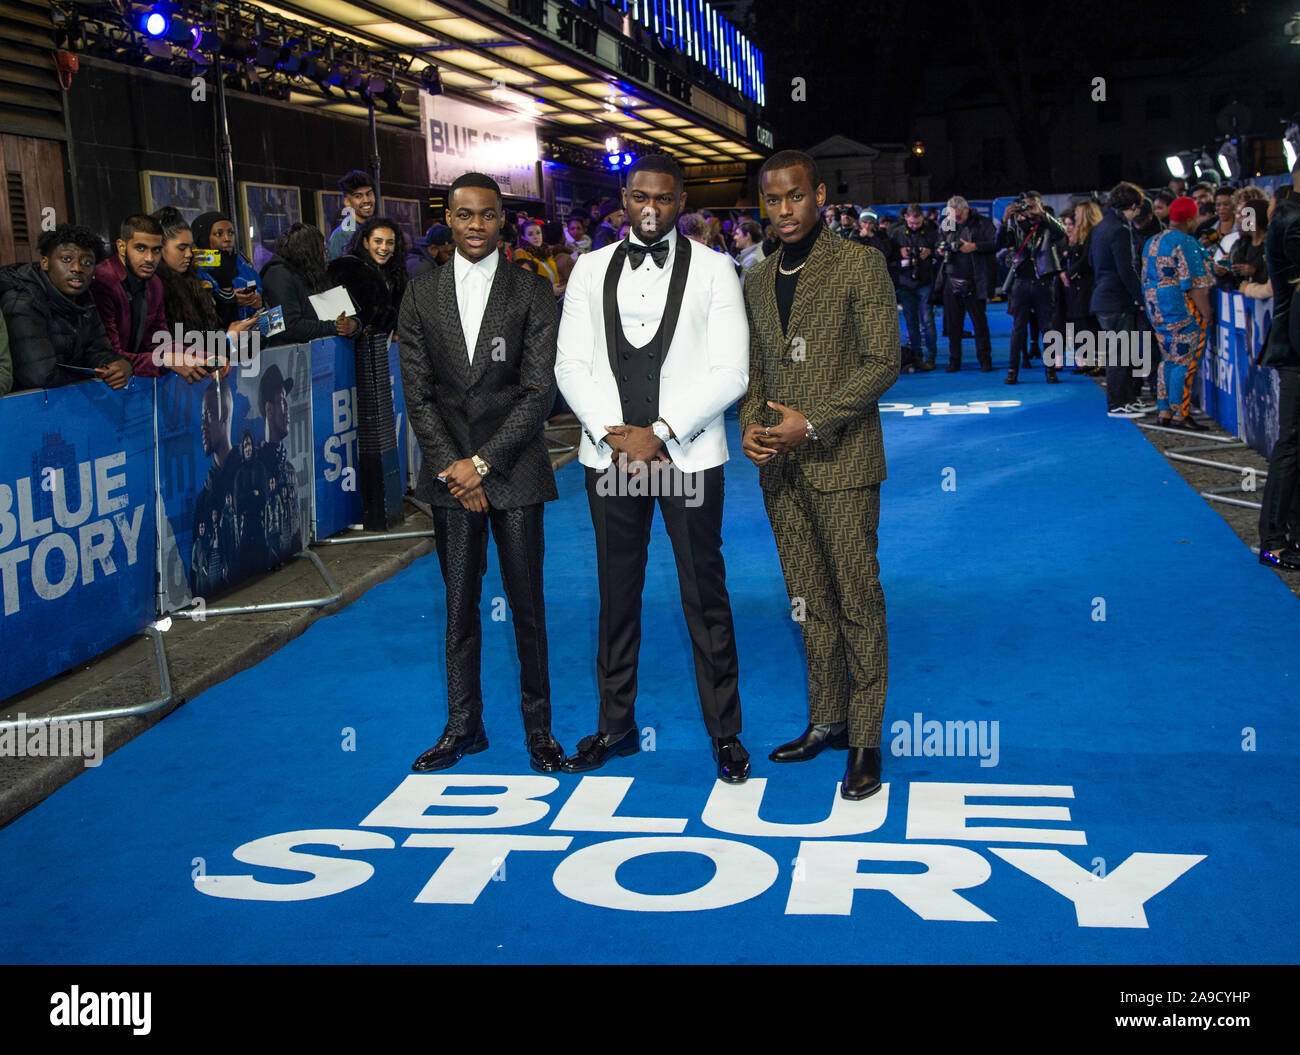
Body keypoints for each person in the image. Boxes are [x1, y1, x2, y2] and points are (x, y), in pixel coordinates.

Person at [554, 153, 751, 784]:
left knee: (705, 594)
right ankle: (616, 725)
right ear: (623, 196)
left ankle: (725, 733)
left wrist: (661, 433)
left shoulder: (718, 270)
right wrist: (619, 438)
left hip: (687, 457)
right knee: (616, 593)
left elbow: (732, 371)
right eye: (640, 196)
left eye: (663, 199)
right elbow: (570, 366)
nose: (650, 208)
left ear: (681, 202)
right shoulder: (588, 268)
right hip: (611, 456)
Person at [738, 149, 898, 801]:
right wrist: (751, 424)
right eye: (773, 200)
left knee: (857, 600)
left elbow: (882, 361)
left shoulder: (861, 264)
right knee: (808, 600)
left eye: (796, 196)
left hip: (843, 462)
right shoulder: (756, 277)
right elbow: (757, 371)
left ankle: (864, 740)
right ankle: (827, 718)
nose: (785, 210)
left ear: (820, 194)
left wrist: (815, 421)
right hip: (782, 473)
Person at [397, 171, 566, 775]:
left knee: (527, 606)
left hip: (514, 471)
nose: (475, 226)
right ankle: (463, 726)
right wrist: (454, 467)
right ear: (447, 217)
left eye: (488, 215)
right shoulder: (420, 293)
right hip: (451, 481)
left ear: (503, 220)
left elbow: (537, 390)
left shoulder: (531, 291)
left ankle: (539, 730)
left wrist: (483, 463)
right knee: (459, 608)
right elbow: (417, 395)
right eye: (464, 215)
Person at [0, 225, 130, 391]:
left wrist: (119, 365)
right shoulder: (22, 301)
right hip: (29, 407)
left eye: (87, 262)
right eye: (66, 260)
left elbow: (98, 351)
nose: (77, 268)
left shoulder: (84, 298)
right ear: (45, 262)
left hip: (64, 401)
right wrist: (96, 375)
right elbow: (40, 376)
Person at [153, 207, 255, 381]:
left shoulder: (192, 281)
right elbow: (172, 341)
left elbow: (209, 327)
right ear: (161, 248)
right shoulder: (157, 288)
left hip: (205, 373)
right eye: (181, 248)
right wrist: (227, 338)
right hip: (173, 382)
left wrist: (226, 289)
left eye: (190, 247)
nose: (188, 254)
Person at [1257, 176, 1300, 571]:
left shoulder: (1286, 218)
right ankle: (1273, 542)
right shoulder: (1292, 221)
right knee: (1289, 445)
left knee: (1293, 446)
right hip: (1294, 350)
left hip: (1290, 346)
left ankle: (1287, 534)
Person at [1141, 197, 1214, 429]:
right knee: (1184, 361)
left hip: (1157, 311)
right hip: (1180, 309)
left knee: (1168, 360)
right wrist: (1206, 312)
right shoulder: (1186, 242)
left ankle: (1164, 411)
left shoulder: (1152, 241)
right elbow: (1196, 284)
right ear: (1191, 218)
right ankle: (1180, 414)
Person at [1090, 181, 1148, 418]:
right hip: (1116, 299)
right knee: (1120, 354)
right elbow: (1126, 269)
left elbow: (1094, 263)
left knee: (1124, 352)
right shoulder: (1120, 230)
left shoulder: (1101, 227)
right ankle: (1116, 403)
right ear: (1134, 206)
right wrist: (1141, 297)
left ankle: (1126, 399)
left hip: (1105, 296)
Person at [91, 214, 170, 380]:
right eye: (141, 248)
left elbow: (160, 341)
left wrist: (200, 357)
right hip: (95, 383)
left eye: (156, 250)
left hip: (131, 378)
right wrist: (165, 361)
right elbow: (111, 354)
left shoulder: (155, 283)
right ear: (121, 246)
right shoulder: (103, 281)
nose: (149, 258)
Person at [1000, 192, 1067, 384]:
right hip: (1021, 281)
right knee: (1018, 328)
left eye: (1032, 205)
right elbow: (1003, 243)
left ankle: (1051, 371)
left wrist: (1042, 214)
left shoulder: (1047, 223)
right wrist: (1005, 220)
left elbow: (1061, 233)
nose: (1029, 210)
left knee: (1048, 328)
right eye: (1026, 206)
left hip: (1043, 281)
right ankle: (1013, 370)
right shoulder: (1016, 224)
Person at [260, 223, 359, 345]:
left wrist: (353, 325)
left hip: (328, 352)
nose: (325, 255)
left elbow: (350, 314)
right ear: (308, 252)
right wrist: (334, 326)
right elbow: (288, 326)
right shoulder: (277, 275)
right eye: (322, 250)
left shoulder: (314, 274)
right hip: (290, 357)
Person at [935, 195, 997, 371]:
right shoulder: (948, 223)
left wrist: (975, 246)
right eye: (951, 216)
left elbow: (995, 243)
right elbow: (939, 241)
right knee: (953, 326)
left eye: (958, 216)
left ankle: (985, 360)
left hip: (975, 280)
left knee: (980, 324)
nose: (955, 219)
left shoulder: (983, 223)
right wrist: (940, 249)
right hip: (951, 278)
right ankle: (954, 361)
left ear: (966, 209)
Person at [326, 216, 409, 332]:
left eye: (390, 243)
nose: (384, 247)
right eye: (378, 241)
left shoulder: (397, 274)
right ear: (365, 242)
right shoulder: (347, 269)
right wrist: (356, 325)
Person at [190, 211, 262, 327]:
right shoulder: (195, 271)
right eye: (219, 234)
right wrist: (228, 301)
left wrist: (259, 303)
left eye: (231, 233)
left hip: (251, 340)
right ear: (203, 237)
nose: (227, 238)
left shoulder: (246, 268)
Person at [892, 204, 939, 370]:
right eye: (911, 224)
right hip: (905, 284)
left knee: (928, 322)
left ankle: (931, 357)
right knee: (911, 323)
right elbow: (887, 255)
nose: (914, 227)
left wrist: (931, 251)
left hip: (925, 282)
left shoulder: (932, 232)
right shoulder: (896, 233)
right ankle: (916, 356)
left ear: (923, 219)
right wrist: (899, 253)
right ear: (906, 217)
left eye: (918, 224)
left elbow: (940, 251)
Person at [327, 170, 377, 261]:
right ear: (347, 202)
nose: (366, 200)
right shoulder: (341, 236)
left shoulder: (377, 229)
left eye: (369, 194)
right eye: (358, 196)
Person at [513, 219, 565, 296]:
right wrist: (549, 290)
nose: (535, 237)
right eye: (530, 234)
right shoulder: (520, 253)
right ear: (523, 237)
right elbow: (525, 284)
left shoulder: (546, 253)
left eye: (538, 233)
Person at [733, 219, 765, 284]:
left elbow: (741, 287)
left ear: (747, 236)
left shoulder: (753, 259)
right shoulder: (756, 254)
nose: (735, 237)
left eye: (737, 234)